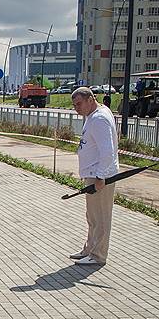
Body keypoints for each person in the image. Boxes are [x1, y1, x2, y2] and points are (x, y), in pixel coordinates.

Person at [70, 86, 119, 266]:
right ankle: (89, 249)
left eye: (79, 104)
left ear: (90, 99)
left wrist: (100, 176)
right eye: (75, 105)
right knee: (92, 216)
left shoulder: (99, 119)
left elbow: (108, 151)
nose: (77, 108)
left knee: (101, 217)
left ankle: (98, 255)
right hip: (93, 174)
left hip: (100, 176)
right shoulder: (93, 115)